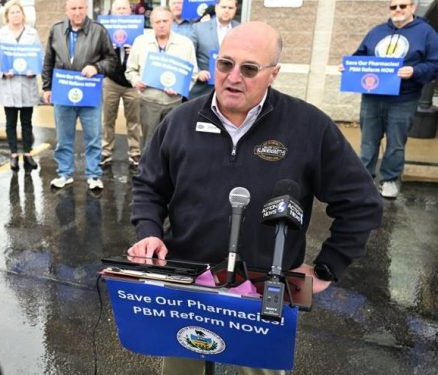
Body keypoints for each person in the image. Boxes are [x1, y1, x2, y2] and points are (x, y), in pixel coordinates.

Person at [128, 22, 383, 375]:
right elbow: (148, 187)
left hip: (264, 291)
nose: (234, 77)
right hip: (185, 285)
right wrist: (148, 231)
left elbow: (362, 203)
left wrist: (327, 267)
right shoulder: (179, 121)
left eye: (249, 69)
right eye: (225, 64)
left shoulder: (309, 127)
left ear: (273, 74)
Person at [351, 0, 438, 198]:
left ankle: (389, 180)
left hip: (403, 99)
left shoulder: (426, 33)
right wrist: (350, 66)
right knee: (368, 142)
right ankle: (364, 180)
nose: (398, 10)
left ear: (413, 8)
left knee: (396, 143)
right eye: (394, 6)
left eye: (403, 6)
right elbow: (361, 55)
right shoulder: (377, 31)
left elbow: (435, 63)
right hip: (372, 97)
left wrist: (415, 71)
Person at [42, 0, 116, 190]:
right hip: (63, 92)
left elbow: (111, 60)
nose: (77, 12)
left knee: (93, 137)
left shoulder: (98, 31)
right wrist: (47, 87)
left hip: (89, 93)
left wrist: (97, 67)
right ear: (67, 10)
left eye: (80, 8)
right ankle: (65, 173)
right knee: (64, 137)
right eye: (73, 8)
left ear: (86, 9)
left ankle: (93, 175)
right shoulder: (56, 30)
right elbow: (48, 61)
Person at [125, 6, 197, 152]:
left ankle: (168, 173)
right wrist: (136, 80)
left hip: (174, 103)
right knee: (148, 143)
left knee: (172, 142)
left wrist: (180, 89)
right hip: (149, 102)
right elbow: (130, 70)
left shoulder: (185, 44)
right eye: (157, 21)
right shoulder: (141, 42)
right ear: (151, 24)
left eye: (165, 20)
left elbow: (193, 74)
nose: (162, 24)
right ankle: (146, 173)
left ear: (171, 21)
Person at [0, 0, 41, 171]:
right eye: (12, 12)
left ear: (23, 14)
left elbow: (39, 57)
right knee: (10, 122)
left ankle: (28, 154)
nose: (15, 15)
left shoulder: (32, 34)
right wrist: (3, 71)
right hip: (9, 84)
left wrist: (33, 69)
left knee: (27, 122)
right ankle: (13, 154)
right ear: (7, 16)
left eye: (18, 12)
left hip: (27, 83)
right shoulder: (0, 35)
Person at [100, 0, 142, 169]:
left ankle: (135, 152)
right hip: (111, 81)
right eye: (118, 8)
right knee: (108, 118)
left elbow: (148, 55)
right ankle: (106, 151)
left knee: (134, 120)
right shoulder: (104, 31)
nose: (122, 11)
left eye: (125, 8)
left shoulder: (139, 34)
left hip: (132, 83)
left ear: (130, 11)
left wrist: (136, 52)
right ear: (112, 12)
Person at [187, 0, 239, 98]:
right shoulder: (198, 28)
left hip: (231, 88)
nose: (227, 11)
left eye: (230, 8)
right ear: (216, 8)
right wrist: (197, 72)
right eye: (223, 7)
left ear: (235, 9)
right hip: (203, 89)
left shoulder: (241, 29)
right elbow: (188, 54)